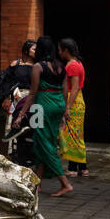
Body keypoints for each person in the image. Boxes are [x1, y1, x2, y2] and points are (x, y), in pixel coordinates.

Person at [16, 36, 74, 196]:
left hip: (42, 107)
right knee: (44, 142)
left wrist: (21, 114)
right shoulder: (62, 67)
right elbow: (64, 91)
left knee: (43, 143)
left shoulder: (38, 67)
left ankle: (65, 183)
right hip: (58, 106)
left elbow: (33, 93)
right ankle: (38, 183)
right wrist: (64, 111)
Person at [58, 38, 88, 178]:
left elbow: (74, 88)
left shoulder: (72, 66)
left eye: (60, 50)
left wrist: (67, 107)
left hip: (73, 101)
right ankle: (82, 167)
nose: (59, 52)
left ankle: (73, 168)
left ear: (66, 51)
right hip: (76, 100)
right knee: (76, 135)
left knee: (71, 135)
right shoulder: (78, 63)